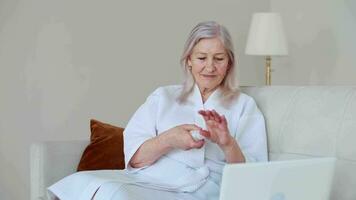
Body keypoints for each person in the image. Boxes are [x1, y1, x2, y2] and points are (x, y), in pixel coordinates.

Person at [47, 21, 267, 200]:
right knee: (86, 182)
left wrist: (227, 143)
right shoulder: (163, 97)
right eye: (201, 58)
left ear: (229, 63)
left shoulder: (244, 105)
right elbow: (134, 159)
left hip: (204, 189)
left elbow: (252, 178)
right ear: (188, 60)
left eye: (219, 59)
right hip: (152, 180)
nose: (210, 67)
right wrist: (169, 139)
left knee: (120, 196)